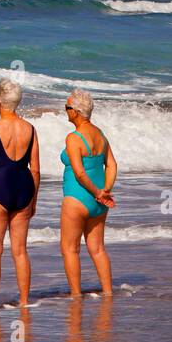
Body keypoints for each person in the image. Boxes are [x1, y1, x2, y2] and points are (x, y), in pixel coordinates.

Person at [0, 78, 40, 308]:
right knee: (20, 251)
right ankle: (24, 301)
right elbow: (35, 169)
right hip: (24, 189)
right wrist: (33, 199)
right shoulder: (30, 130)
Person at [60, 87, 117, 298]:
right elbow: (112, 165)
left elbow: (80, 174)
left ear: (75, 111)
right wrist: (105, 190)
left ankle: (76, 296)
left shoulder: (73, 138)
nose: (66, 111)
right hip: (99, 202)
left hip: (78, 198)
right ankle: (108, 293)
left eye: (67, 107)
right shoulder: (100, 134)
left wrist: (97, 192)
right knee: (98, 249)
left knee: (70, 249)